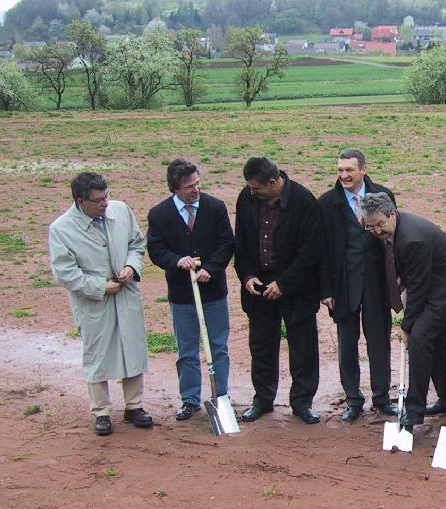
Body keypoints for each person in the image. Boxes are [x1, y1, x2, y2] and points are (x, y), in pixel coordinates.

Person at [49, 172, 152, 436]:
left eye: (106, 196)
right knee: (97, 352)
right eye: (98, 200)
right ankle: (102, 411)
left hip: (126, 294)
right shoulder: (61, 229)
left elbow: (137, 244)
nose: (105, 203)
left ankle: (134, 406)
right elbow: (65, 272)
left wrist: (132, 266)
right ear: (81, 201)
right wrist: (98, 287)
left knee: (133, 345)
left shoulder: (121, 210)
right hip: (93, 302)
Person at [360, 192, 446, 430]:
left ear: (393, 214)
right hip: (436, 284)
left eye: (380, 225)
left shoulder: (413, 239)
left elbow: (418, 291)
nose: (377, 232)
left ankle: (414, 410)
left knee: (420, 337)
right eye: (370, 228)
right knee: (435, 337)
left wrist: (406, 326)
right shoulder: (396, 228)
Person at [233, 157, 321, 424]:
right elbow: (242, 241)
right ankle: (263, 399)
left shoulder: (304, 201)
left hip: (296, 287)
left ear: (273, 182)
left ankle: (302, 403)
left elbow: (311, 251)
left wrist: (284, 284)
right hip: (258, 285)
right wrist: (247, 275)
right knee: (261, 346)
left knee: (303, 348)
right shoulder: (246, 199)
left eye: (257, 188)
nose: (252, 192)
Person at [147, 158, 235, 421]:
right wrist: (177, 261)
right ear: (175, 188)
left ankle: (221, 395)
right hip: (183, 295)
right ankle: (189, 399)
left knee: (218, 346)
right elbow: (156, 250)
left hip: (214, 292)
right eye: (189, 187)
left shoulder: (215, 207)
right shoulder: (159, 214)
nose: (196, 190)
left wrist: (213, 267)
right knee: (187, 349)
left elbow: (226, 243)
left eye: (197, 184)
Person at [318, 149, 398, 422]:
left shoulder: (381, 195)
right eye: (340, 170)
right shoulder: (327, 203)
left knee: (379, 342)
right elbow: (323, 251)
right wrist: (325, 290)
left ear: (363, 169)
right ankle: (353, 399)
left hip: (376, 284)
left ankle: (382, 397)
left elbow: (391, 240)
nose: (344, 175)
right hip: (343, 286)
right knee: (347, 345)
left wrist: (395, 281)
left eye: (349, 170)